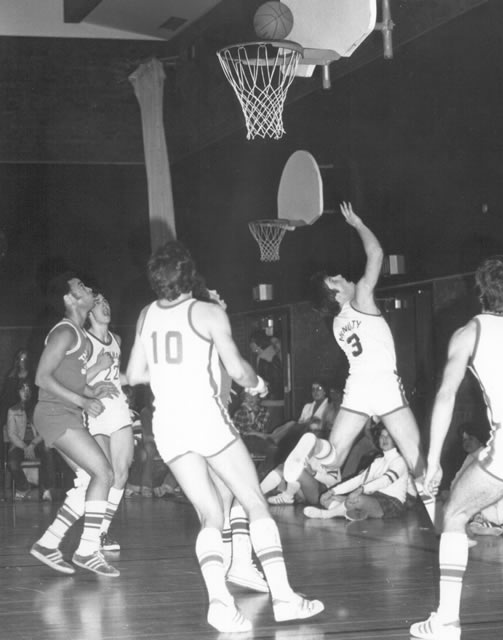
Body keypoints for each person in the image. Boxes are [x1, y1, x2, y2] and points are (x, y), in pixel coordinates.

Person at [126, 240, 324, 633]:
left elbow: (134, 375)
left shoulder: (146, 315)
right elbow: (239, 371)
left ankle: (220, 602)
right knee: (254, 502)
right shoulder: (209, 313)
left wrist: (170, 373)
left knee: (210, 514)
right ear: (189, 274)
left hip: (168, 425)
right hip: (204, 418)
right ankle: (284, 597)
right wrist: (258, 384)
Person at [410, 255, 503, 640]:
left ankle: (446, 621)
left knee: (455, 515)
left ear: (479, 293)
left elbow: (446, 395)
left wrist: (431, 462)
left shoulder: (468, 333)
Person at [282, 202, 425, 503]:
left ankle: (313, 445)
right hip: (383, 383)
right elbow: (376, 255)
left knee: (332, 458)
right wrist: (358, 224)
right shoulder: (360, 298)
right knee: (413, 454)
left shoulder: (336, 323)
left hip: (357, 385)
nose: (340, 276)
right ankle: (445, 526)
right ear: (335, 295)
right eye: (334, 280)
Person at [29, 272, 120, 577]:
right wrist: (83, 401)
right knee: (104, 472)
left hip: (65, 412)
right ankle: (87, 550)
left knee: (88, 481)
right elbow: (42, 378)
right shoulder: (66, 332)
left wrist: (93, 391)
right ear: (69, 299)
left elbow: (71, 381)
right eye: (80, 286)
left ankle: (48, 542)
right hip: (56, 414)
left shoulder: (79, 335)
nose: (87, 287)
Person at [84, 293, 134, 551]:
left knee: (122, 472)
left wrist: (139, 377)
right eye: (99, 304)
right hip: (94, 410)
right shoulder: (82, 340)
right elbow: (71, 379)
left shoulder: (117, 340)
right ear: (89, 312)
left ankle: (102, 532)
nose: (106, 306)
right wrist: (96, 370)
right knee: (105, 474)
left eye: (107, 302)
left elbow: (116, 377)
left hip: (117, 409)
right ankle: (92, 533)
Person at [302, 423, 409, 520]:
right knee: (326, 499)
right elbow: (359, 479)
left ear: (396, 439)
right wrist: (332, 491)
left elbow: (385, 481)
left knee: (357, 499)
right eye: (382, 435)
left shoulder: (400, 461)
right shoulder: (378, 461)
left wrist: (360, 490)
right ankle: (349, 513)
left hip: (392, 502)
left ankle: (326, 514)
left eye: (389, 436)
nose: (384, 439)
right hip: (373, 497)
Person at [6, 380, 56, 500]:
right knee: (12, 463)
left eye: (28, 390)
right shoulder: (12, 410)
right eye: (22, 390)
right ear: (18, 392)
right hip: (19, 444)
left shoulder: (39, 408)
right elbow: (12, 434)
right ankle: (23, 487)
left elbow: (44, 430)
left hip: (37, 443)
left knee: (48, 452)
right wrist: (25, 447)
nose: (25, 392)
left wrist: (32, 444)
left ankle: (46, 489)